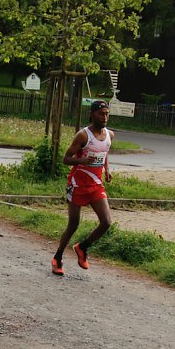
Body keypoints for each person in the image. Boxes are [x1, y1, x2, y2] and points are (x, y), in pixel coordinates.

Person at [51, 100, 114, 276]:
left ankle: (82, 247)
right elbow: (66, 159)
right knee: (73, 224)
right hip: (77, 184)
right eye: (101, 114)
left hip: (95, 184)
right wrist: (81, 160)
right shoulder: (83, 136)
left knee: (106, 222)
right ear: (92, 114)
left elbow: (105, 152)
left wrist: (107, 170)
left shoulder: (110, 135)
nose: (105, 117)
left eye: (107, 114)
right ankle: (58, 257)